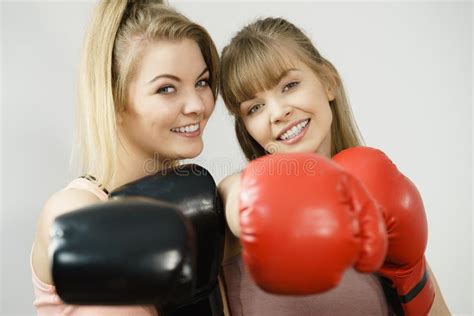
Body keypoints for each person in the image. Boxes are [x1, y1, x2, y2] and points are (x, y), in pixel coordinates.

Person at [217, 17, 451, 315]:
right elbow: (239, 201)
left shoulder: (377, 195)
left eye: (289, 85)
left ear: (328, 81)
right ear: (246, 127)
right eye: (255, 107)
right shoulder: (237, 203)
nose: (278, 112)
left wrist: (411, 273)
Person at [30, 0, 224, 315]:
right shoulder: (77, 208)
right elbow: (67, 225)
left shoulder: (196, 198)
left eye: (201, 82)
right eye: (166, 89)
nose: (197, 105)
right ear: (115, 100)